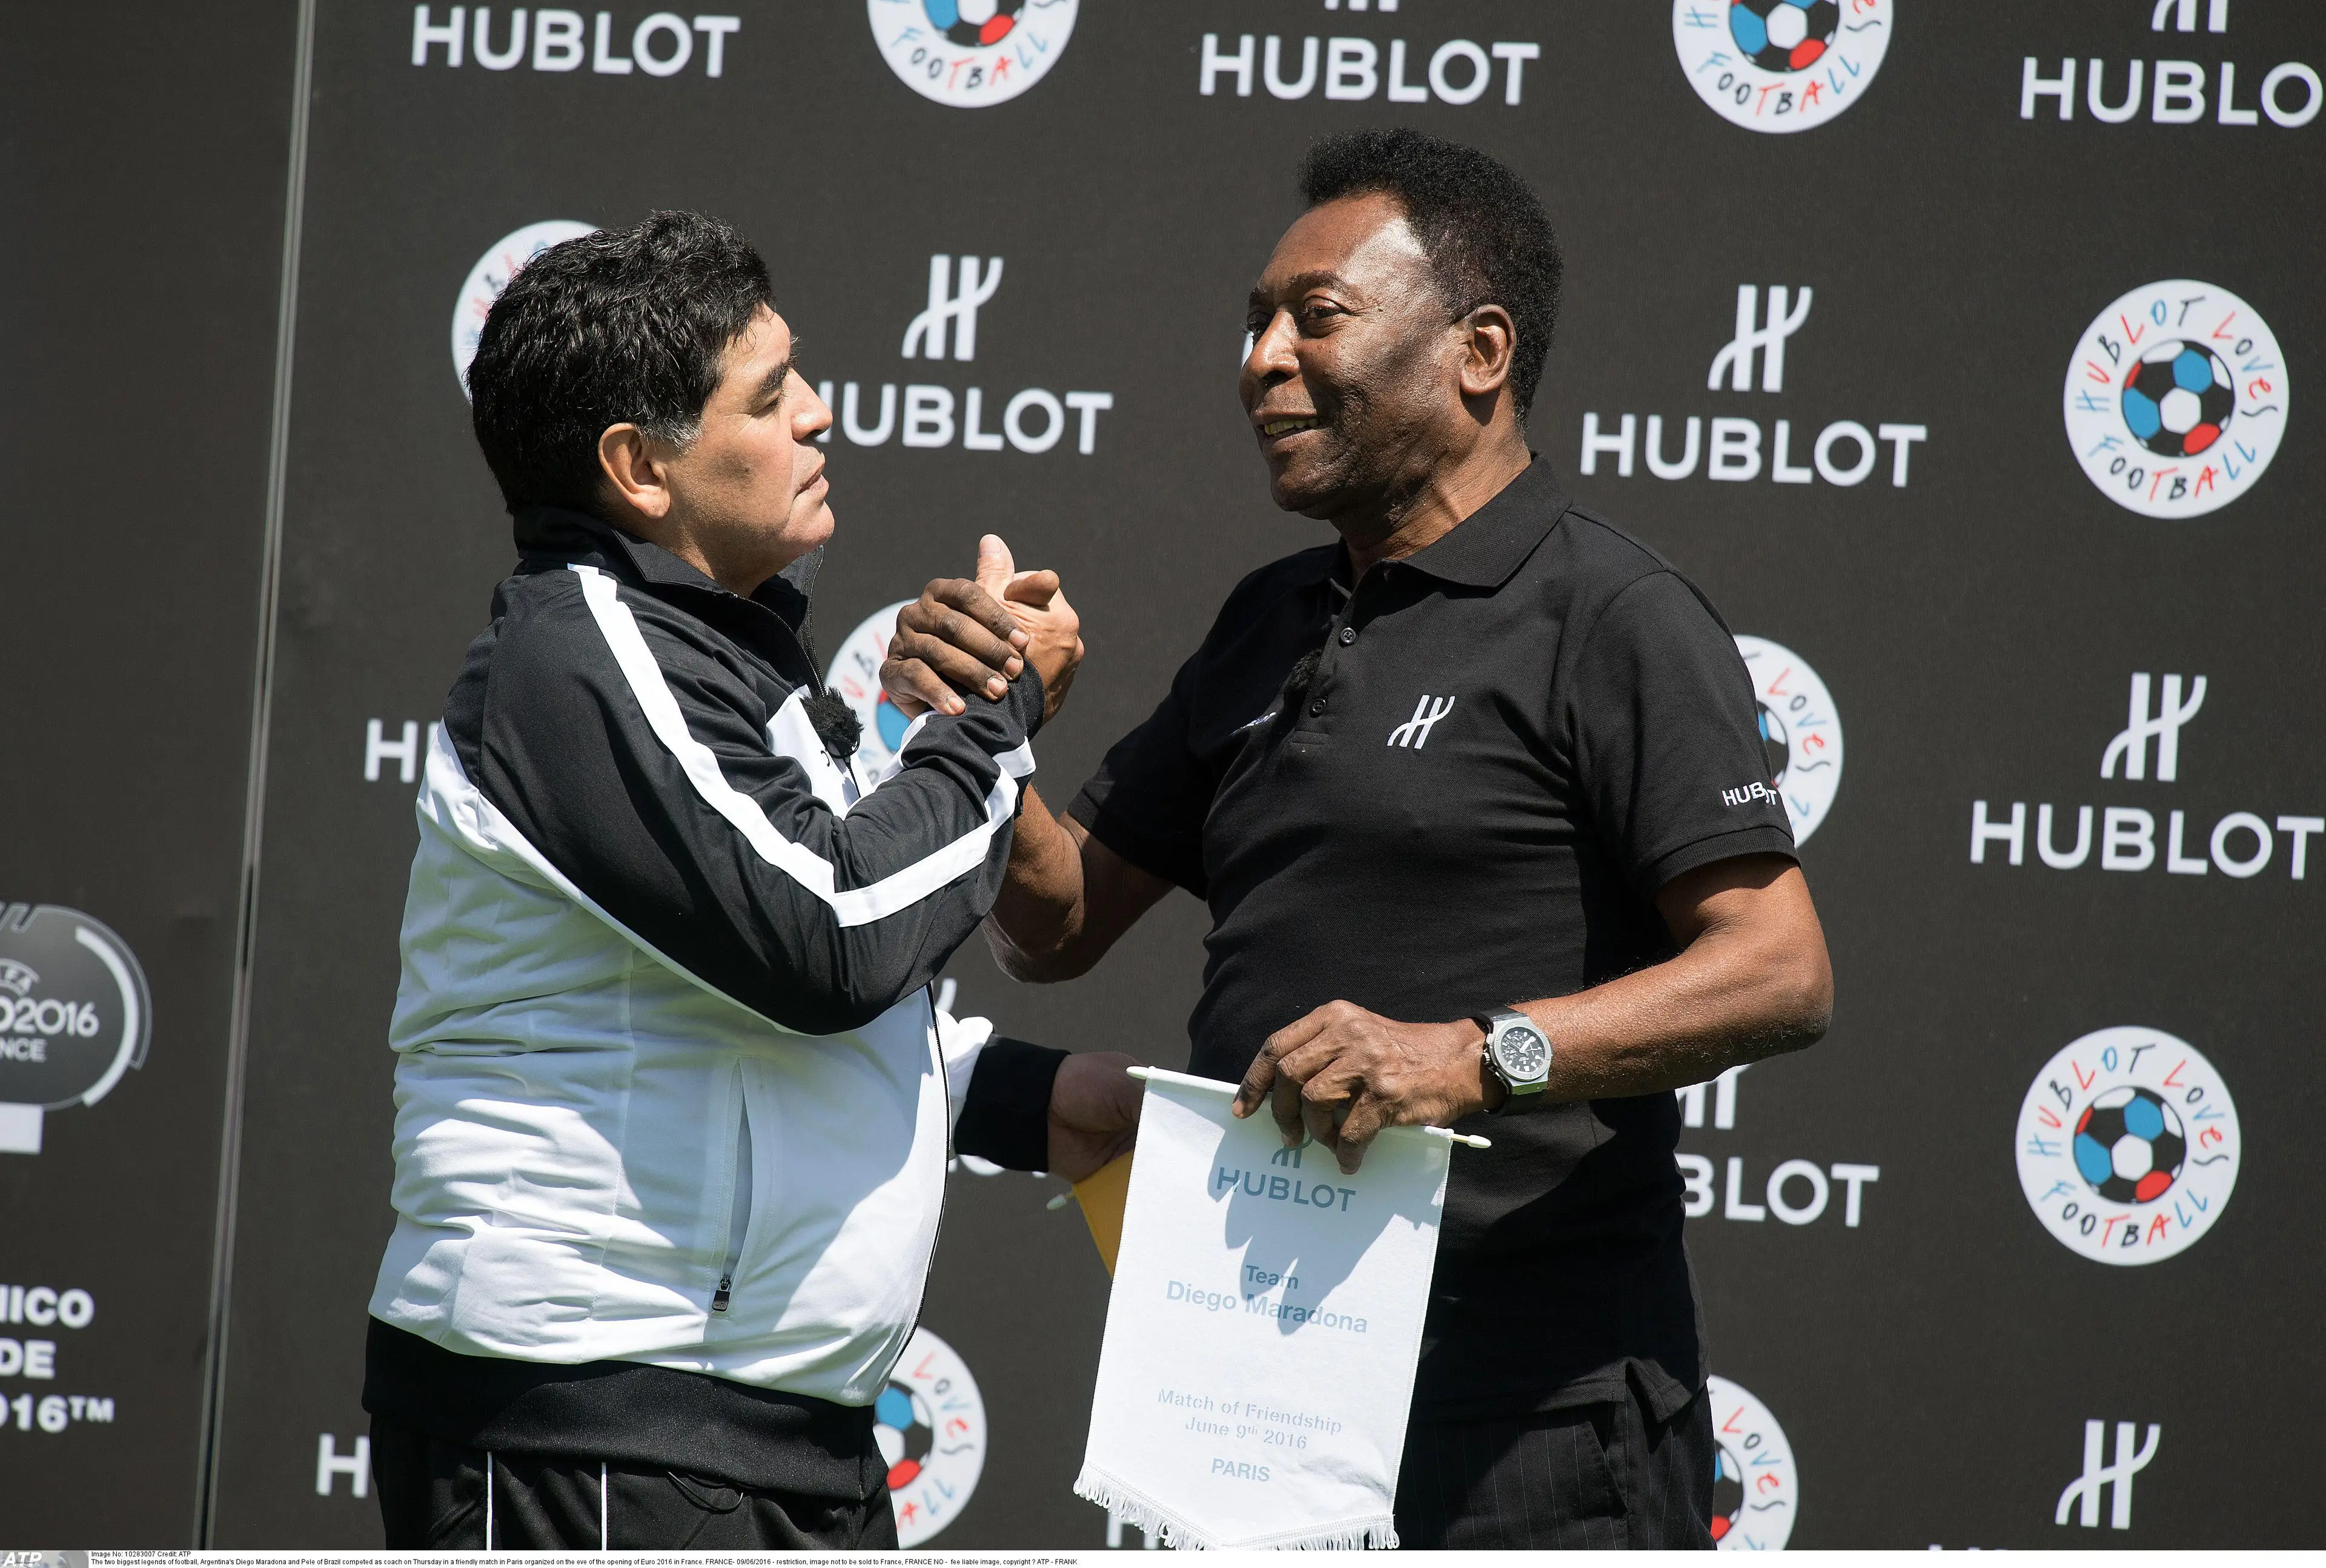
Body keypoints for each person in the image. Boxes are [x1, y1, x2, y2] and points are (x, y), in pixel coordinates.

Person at [883, 131, 1835, 1549]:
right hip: (1249, 1396)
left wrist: (1464, 1053)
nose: (1260, 357)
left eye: (1313, 318)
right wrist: (991, 724)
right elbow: (1054, 925)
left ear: (1479, 350)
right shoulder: (1266, 615)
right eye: (1254, 322)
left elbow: (1778, 971)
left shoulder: (1612, 613)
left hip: (1535, 1419)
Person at [362, 210, 1138, 1550]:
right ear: (639, 467)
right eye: (772, 397)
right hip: (594, 1425)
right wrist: (995, 718)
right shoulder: (580, 653)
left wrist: (1037, 1101)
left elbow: (735, 1026)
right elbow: (826, 941)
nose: (822, 416)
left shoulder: (726, 659)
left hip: (767, 1432)